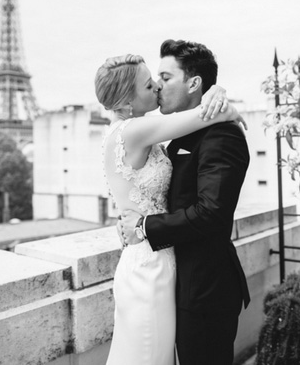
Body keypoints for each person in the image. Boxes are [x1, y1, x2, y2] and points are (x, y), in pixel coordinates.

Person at [94, 52, 243, 365]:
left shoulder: (137, 131)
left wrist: (215, 90)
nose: (157, 89)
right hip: (149, 264)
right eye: (150, 85)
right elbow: (208, 115)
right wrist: (219, 98)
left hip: (158, 258)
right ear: (124, 103)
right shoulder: (133, 131)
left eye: (161, 80)